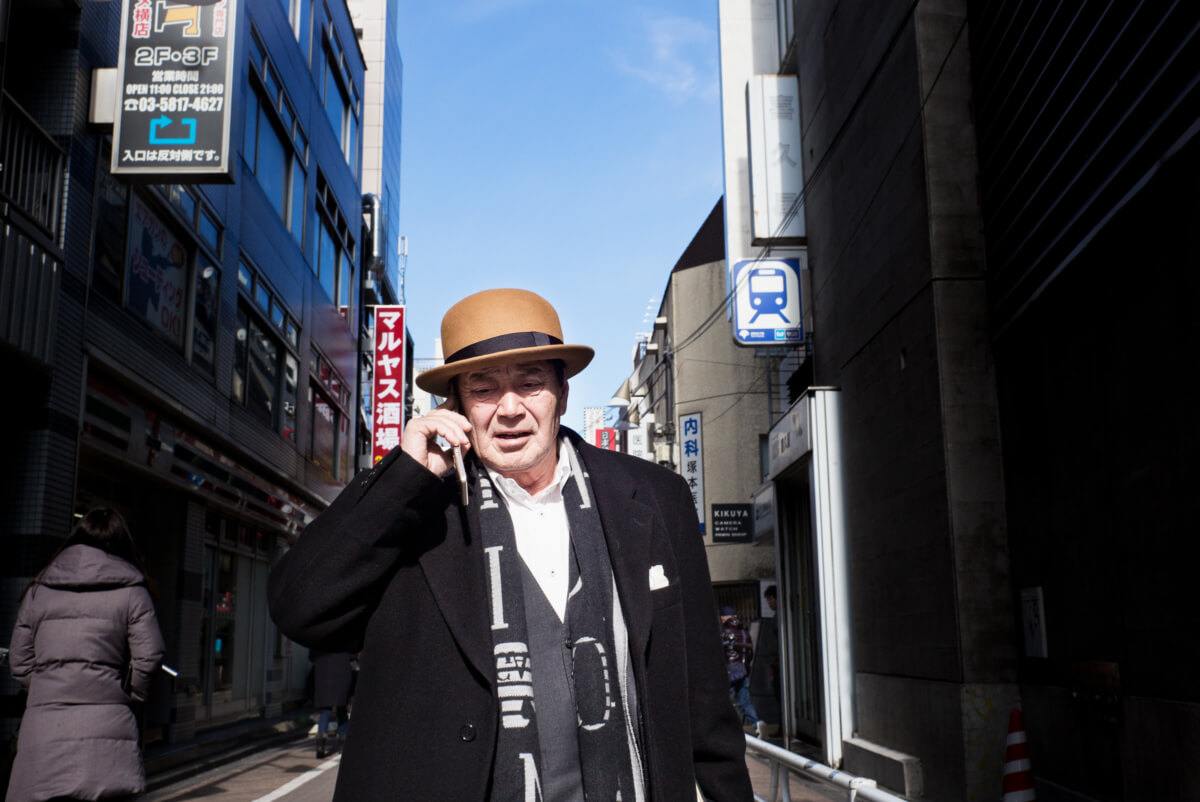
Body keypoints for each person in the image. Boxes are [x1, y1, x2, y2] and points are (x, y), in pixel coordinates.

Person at [269, 289, 753, 801]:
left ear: (561, 394)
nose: (510, 409)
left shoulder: (654, 498)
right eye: (483, 389)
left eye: (530, 384)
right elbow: (300, 608)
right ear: (455, 405)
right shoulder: (416, 509)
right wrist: (404, 478)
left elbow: (705, 701)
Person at [6, 507, 165, 802]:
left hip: (44, 730)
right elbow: (151, 654)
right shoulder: (133, 590)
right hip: (107, 728)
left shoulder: (39, 589)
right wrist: (132, 694)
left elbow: (19, 660)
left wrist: (47, 687)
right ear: (121, 546)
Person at [720, 606, 762, 736]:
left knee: (724, 700)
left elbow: (720, 652)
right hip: (743, 671)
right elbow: (750, 652)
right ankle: (758, 723)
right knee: (745, 701)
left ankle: (727, 729)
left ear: (723, 617)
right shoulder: (744, 632)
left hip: (729, 671)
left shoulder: (724, 631)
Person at [310, 650, 356, 758]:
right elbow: (352, 655)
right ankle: (342, 743)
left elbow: (312, 656)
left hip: (324, 675)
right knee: (342, 709)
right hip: (341, 674)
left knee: (325, 710)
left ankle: (320, 743)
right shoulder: (344, 639)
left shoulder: (319, 636)